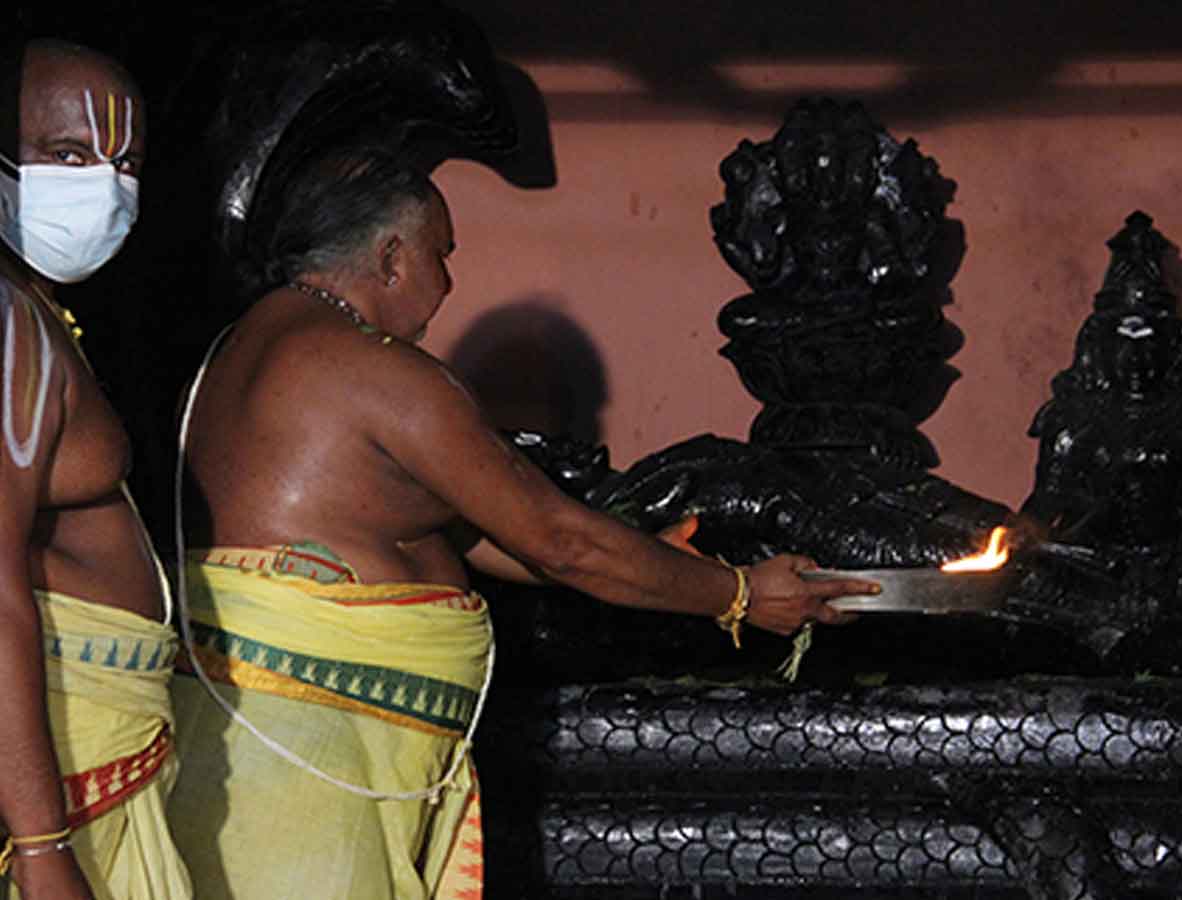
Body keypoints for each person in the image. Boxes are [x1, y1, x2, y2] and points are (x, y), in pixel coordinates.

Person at [168, 141, 879, 900]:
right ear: (391, 256)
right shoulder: (377, 369)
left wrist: (647, 561)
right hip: (307, 757)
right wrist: (738, 594)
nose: (447, 282)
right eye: (442, 255)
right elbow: (562, 542)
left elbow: (478, 531)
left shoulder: (241, 346)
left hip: (266, 741)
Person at [0, 38, 192, 900]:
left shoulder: (34, 308)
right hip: (55, 799)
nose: (106, 191)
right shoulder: (6, 323)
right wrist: (42, 850)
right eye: (69, 155)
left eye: (127, 164)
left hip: (98, 759)